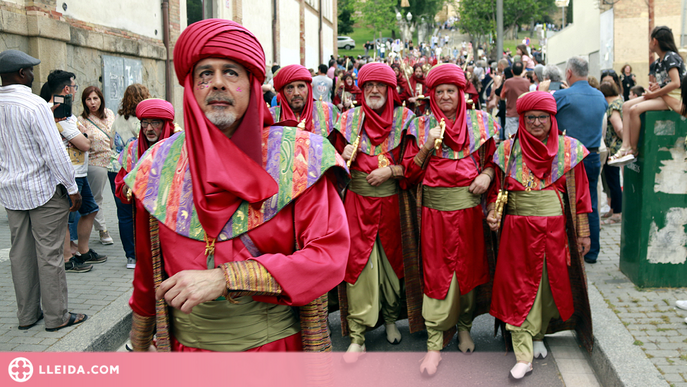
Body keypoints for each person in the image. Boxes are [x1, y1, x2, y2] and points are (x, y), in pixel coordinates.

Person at [124, 18, 349, 353]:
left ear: (252, 84)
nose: (217, 83)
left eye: (231, 72)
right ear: (191, 87)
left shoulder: (301, 157)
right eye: (205, 74)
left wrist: (225, 277)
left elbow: (327, 257)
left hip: (273, 357)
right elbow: (146, 274)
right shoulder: (157, 166)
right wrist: (137, 346)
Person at [487, 91, 593, 380]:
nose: (536, 123)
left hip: (555, 233)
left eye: (542, 117)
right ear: (521, 119)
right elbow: (496, 192)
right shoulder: (507, 151)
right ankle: (523, 355)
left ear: (552, 119)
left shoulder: (570, 149)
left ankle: (539, 335)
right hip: (516, 233)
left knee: (547, 288)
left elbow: (581, 196)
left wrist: (583, 234)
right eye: (529, 117)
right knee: (517, 288)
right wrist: (492, 212)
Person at [402, 64, 499, 375]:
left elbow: (496, 163)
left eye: (450, 91)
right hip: (434, 218)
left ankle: (465, 325)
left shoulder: (481, 124)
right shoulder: (420, 127)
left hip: (470, 214)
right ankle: (434, 344)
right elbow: (409, 174)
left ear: (461, 94)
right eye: (439, 91)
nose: (445, 96)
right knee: (437, 278)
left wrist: (485, 174)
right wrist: (428, 146)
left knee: (468, 275)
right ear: (431, 95)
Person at [332, 62, 415, 362]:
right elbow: (331, 166)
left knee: (393, 270)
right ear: (361, 90)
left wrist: (392, 171)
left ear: (390, 90)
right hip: (356, 206)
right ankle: (358, 335)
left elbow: (416, 166)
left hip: (393, 205)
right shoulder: (347, 121)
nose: (374, 91)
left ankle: (391, 319)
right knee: (358, 269)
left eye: (380, 86)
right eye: (369, 86)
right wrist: (340, 159)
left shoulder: (406, 120)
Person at [0, 49, 88, 331]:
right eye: (31, 70)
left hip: (12, 193)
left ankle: (27, 316)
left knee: (20, 255)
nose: (34, 74)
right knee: (49, 256)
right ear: (22, 74)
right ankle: (57, 316)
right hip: (43, 192)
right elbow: (54, 152)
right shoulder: (34, 105)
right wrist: (72, 187)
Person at [46, 70, 108, 268]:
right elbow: (85, 144)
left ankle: (83, 251)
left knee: (90, 210)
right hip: (68, 174)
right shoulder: (56, 114)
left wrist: (83, 135)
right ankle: (67, 259)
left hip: (80, 172)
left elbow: (83, 137)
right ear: (67, 89)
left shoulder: (67, 113)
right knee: (65, 217)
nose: (74, 91)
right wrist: (84, 136)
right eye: (74, 87)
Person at [554, 56, 607, 264]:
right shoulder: (600, 96)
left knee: (563, 203)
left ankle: (567, 247)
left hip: (569, 157)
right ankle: (592, 251)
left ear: (568, 73)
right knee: (590, 203)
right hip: (592, 155)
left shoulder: (562, 95)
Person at [608, 26, 687, 166]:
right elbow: (661, 84)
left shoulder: (670, 57)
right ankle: (624, 146)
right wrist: (654, 90)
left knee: (634, 110)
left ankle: (633, 149)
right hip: (661, 94)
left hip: (672, 97)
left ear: (655, 41)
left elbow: (676, 83)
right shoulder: (657, 63)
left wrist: (655, 93)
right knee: (626, 106)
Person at [114, 98, 176, 269]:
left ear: (165, 124)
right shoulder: (133, 149)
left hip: (172, 220)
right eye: (145, 123)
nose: (149, 128)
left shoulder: (178, 147)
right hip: (143, 220)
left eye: (155, 123)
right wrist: (129, 185)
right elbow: (121, 186)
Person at [108, 83, 150, 269]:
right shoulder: (140, 121)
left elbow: (111, 142)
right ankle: (143, 253)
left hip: (115, 168)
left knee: (123, 214)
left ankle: (130, 257)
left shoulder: (118, 118)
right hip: (136, 170)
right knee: (141, 213)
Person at [78, 86, 115, 245]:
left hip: (114, 161)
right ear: (84, 102)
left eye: (95, 98)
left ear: (101, 99)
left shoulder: (109, 114)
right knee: (96, 197)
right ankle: (102, 230)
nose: (92, 103)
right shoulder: (81, 120)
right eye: (88, 99)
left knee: (120, 197)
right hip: (95, 161)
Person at [270, 64, 339, 136]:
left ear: (308, 88)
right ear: (282, 92)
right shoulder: (273, 116)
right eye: (290, 87)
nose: (296, 93)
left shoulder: (327, 111)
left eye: (301, 86)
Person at [599, 82, 623, 225]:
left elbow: (618, 127)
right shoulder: (620, 102)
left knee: (613, 182)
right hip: (614, 149)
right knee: (611, 181)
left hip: (612, 149)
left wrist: (625, 140)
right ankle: (613, 209)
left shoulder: (613, 106)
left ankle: (617, 213)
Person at [500, 61, 530, 138]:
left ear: (512, 71)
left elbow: (502, 96)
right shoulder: (527, 82)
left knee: (511, 139)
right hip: (524, 113)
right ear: (522, 71)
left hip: (511, 113)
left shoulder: (507, 82)